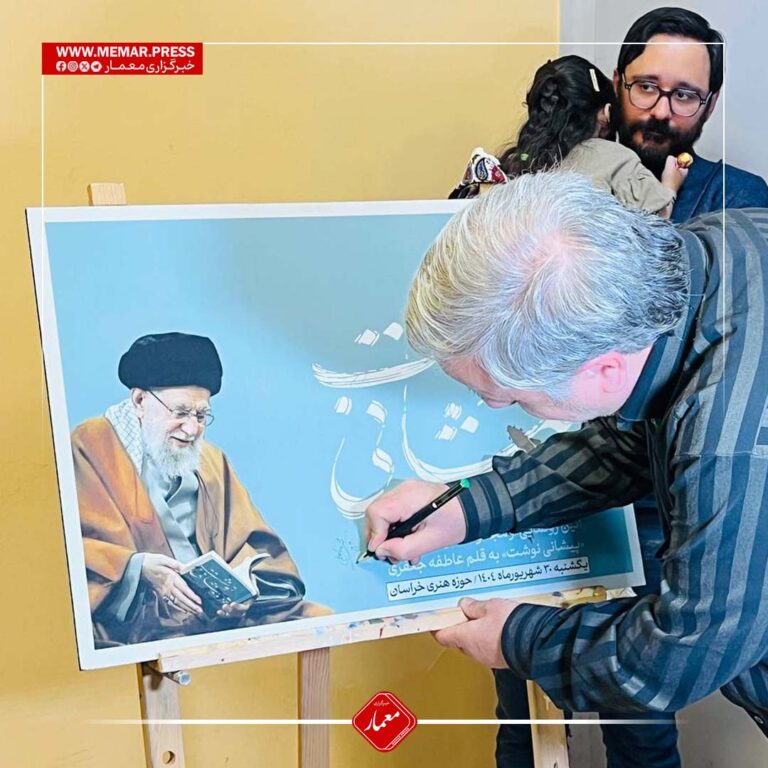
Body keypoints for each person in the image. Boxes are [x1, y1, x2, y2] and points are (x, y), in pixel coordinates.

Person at [366, 174, 768, 756]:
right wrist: (469, 506)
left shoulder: (727, 443)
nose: (497, 407)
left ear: (603, 369)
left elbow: (683, 654)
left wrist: (518, 638)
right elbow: (634, 439)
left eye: (510, 398)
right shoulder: (713, 248)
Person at [73, 332, 326, 647]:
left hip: (217, 617)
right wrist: (139, 568)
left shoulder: (211, 459)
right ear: (139, 401)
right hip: (144, 625)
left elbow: (256, 547)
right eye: (180, 413)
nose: (192, 429)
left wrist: (245, 590)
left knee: (320, 621)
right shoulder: (89, 447)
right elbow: (68, 549)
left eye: (201, 415)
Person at [451, 55, 688, 218]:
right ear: (606, 113)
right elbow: (656, 223)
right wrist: (670, 185)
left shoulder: (516, 161)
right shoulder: (615, 159)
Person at [613, 7, 768, 222]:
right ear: (617, 85)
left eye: (683, 95)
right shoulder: (574, 177)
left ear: (710, 104)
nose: (661, 112)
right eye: (646, 87)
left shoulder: (736, 196)